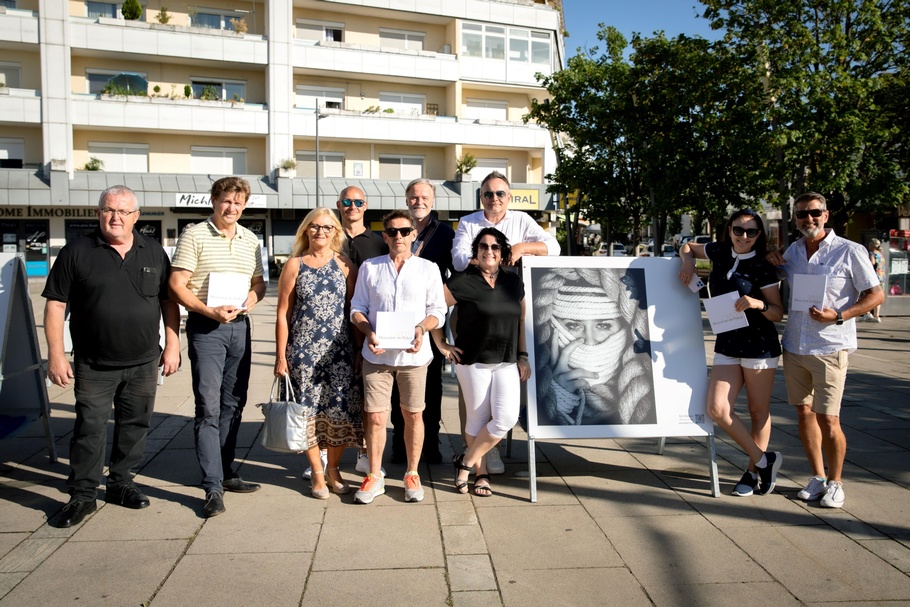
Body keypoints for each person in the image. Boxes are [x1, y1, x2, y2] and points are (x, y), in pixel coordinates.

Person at [42, 185, 180, 528]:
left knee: (135, 426)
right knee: (89, 429)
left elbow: (168, 302)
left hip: (144, 361)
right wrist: (56, 355)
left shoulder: (154, 252)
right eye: (108, 210)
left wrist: (174, 344)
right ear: (98, 213)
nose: (115, 217)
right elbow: (56, 304)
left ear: (136, 216)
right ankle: (83, 495)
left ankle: (121, 483)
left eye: (123, 211)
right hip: (94, 363)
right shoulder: (76, 251)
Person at [767, 192, 883, 508]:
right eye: (802, 214)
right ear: (795, 219)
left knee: (828, 418)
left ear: (826, 214)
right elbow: (776, 275)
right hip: (794, 345)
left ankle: (836, 482)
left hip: (830, 347)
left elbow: (876, 295)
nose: (809, 219)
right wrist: (772, 261)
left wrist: (840, 315)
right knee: (803, 414)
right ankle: (817, 477)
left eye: (814, 212)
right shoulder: (793, 250)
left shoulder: (850, 251)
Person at [169, 176, 267, 518]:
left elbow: (259, 282)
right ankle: (211, 485)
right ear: (214, 200)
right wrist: (208, 311)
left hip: (240, 328)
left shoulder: (250, 239)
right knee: (209, 407)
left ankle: (226, 471)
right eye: (227, 201)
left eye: (239, 203)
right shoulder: (194, 234)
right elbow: (176, 284)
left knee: (233, 403)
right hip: (207, 328)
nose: (232, 208)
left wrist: (254, 297)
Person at [451, 171, 560, 473]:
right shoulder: (469, 222)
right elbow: (459, 259)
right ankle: (479, 458)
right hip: (474, 309)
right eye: (488, 193)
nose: (494, 199)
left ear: (509, 197)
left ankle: (478, 455)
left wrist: (522, 248)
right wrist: (490, 259)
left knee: (502, 405)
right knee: (476, 402)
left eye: (500, 193)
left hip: (508, 309)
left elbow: (554, 247)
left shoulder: (522, 220)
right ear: (481, 197)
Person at [678, 208, 784, 496]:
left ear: (759, 235)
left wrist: (758, 304)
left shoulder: (763, 265)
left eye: (751, 232)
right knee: (716, 409)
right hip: (727, 342)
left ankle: (752, 472)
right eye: (738, 230)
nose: (744, 236)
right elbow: (686, 245)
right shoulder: (720, 251)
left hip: (759, 345)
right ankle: (765, 460)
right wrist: (687, 262)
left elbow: (777, 313)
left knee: (757, 410)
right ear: (729, 230)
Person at [349, 210, 446, 504]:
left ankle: (412, 472)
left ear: (413, 234)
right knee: (376, 417)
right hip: (376, 355)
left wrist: (420, 329)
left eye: (404, 231)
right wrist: (368, 332)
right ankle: (375, 475)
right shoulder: (370, 267)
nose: (398, 237)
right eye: (392, 232)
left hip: (414, 357)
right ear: (384, 236)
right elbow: (357, 309)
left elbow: (437, 311)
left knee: (413, 415)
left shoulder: (428, 268)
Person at [431, 228, 530, 497]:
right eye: (483, 246)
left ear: (502, 253)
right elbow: (434, 308)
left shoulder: (513, 282)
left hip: (507, 361)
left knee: (505, 418)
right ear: (476, 252)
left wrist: (523, 356)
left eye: (495, 247)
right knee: (476, 420)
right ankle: (481, 474)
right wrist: (441, 343)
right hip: (472, 361)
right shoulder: (463, 281)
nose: (489, 251)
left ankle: (464, 463)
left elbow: (520, 320)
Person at [274, 208, 363, 499]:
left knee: (337, 412)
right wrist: (280, 356)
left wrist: (360, 350)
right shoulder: (294, 265)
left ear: (335, 232)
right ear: (305, 231)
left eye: (326, 227)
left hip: (340, 353)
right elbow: (283, 312)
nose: (320, 232)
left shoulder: (345, 264)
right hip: (303, 353)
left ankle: (334, 469)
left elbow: (354, 310)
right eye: (314, 227)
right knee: (307, 414)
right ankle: (316, 472)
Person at [531, 267, 656, 426]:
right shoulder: (532, 380)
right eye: (573, 325)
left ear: (626, 327)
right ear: (551, 326)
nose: (589, 341)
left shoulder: (653, 389)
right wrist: (559, 398)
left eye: (603, 325)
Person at [390, 178, 455, 465]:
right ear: (407, 200)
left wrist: (440, 300)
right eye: (413, 197)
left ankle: (430, 442)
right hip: (397, 318)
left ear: (433, 200)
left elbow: (459, 273)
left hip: (430, 321)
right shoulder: (395, 227)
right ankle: (399, 441)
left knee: (432, 383)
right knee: (396, 381)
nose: (419, 201)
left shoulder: (444, 233)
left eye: (424, 197)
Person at [333, 185, 388, 478]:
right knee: (331, 394)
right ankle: (325, 456)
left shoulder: (379, 243)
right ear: (339, 205)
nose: (352, 206)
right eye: (346, 201)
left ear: (365, 206)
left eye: (357, 201)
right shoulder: (328, 236)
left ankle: (365, 453)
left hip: (368, 329)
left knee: (368, 398)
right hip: (330, 327)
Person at [861, 238, 885, 323]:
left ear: (871, 245)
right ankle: (876, 315)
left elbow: (872, 263)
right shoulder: (881, 254)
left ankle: (867, 313)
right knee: (877, 296)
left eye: (869, 244)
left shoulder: (871, 253)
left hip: (873, 277)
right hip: (881, 277)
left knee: (868, 295)